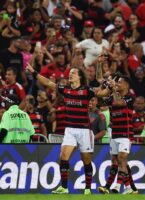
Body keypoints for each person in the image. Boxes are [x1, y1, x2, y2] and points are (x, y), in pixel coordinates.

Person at [26, 63, 97, 195]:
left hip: (84, 130)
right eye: (70, 72)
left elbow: (101, 93)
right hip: (70, 129)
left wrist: (109, 88)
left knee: (86, 160)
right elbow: (48, 82)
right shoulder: (65, 89)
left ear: (80, 77)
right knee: (63, 157)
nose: (71, 74)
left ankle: (87, 188)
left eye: (74, 73)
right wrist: (34, 72)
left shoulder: (87, 90)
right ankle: (64, 187)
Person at [97, 75, 137, 194]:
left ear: (126, 85)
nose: (118, 84)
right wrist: (106, 86)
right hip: (114, 133)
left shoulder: (130, 98)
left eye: (119, 82)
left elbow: (119, 103)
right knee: (116, 161)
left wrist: (113, 89)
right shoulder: (112, 98)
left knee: (121, 158)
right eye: (117, 82)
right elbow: (100, 99)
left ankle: (118, 187)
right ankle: (129, 188)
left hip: (126, 133)